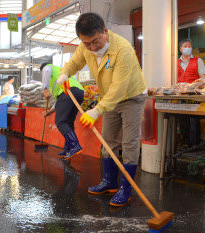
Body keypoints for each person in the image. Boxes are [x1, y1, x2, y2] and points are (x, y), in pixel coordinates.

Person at [58, 13, 147, 206]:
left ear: (105, 31)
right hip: (108, 98)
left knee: (129, 142)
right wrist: (65, 74)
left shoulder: (123, 49)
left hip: (131, 96)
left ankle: (126, 188)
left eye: (95, 41)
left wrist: (96, 111)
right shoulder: (85, 47)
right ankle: (109, 182)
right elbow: (75, 62)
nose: (92, 47)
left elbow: (119, 88)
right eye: (86, 43)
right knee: (108, 140)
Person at [41, 63, 84, 160]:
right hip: (78, 92)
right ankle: (68, 149)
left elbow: (46, 69)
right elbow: (61, 100)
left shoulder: (48, 68)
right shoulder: (60, 72)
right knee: (68, 122)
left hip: (69, 92)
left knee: (60, 122)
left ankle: (75, 146)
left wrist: (45, 89)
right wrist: (51, 111)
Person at [178, 39, 205, 147]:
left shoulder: (198, 61)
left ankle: (195, 144)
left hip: (194, 95)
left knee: (194, 119)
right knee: (183, 120)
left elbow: (202, 78)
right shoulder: (176, 62)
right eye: (185, 46)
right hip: (180, 95)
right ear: (180, 49)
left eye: (189, 46)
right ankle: (186, 143)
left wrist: (198, 89)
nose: (187, 48)